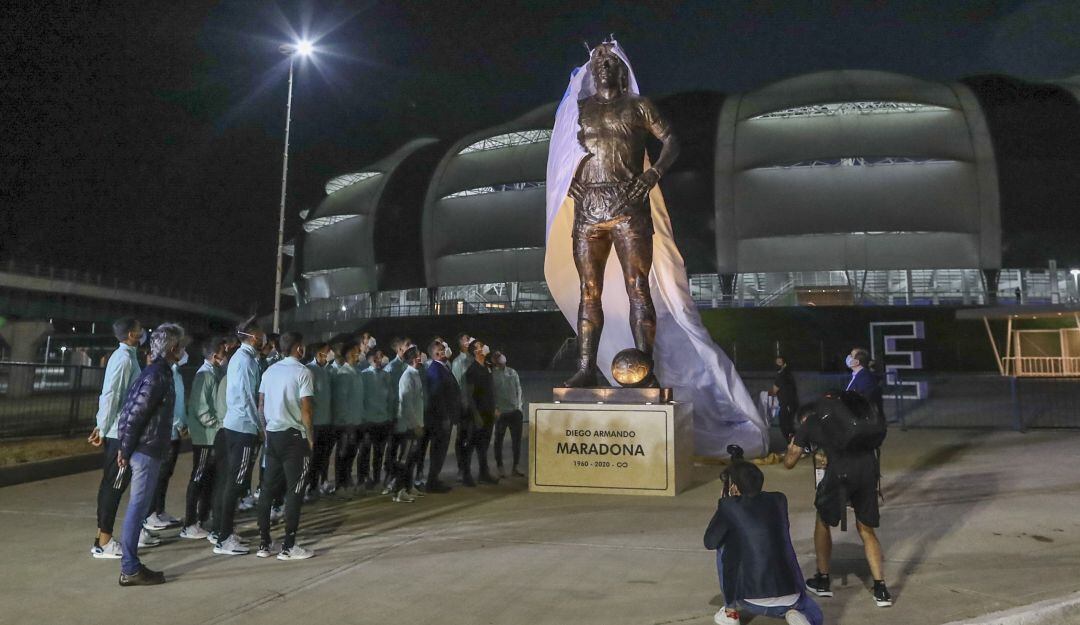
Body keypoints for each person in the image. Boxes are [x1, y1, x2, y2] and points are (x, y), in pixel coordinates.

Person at [784, 395, 893, 608]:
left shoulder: (811, 423)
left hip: (841, 473)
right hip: (868, 471)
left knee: (823, 520)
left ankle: (822, 579)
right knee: (866, 528)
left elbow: (790, 462)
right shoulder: (850, 418)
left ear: (804, 417)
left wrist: (792, 447)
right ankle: (881, 589)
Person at [704, 456, 823, 625]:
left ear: (734, 487)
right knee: (812, 611)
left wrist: (724, 504)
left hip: (751, 601)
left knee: (722, 544)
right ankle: (796, 613)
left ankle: (730, 613)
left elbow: (709, 541)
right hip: (792, 596)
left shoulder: (729, 507)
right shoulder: (779, 500)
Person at [115, 323, 188, 586]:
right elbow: (134, 413)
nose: (183, 350)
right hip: (146, 450)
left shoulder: (159, 372)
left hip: (148, 448)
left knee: (140, 506)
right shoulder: (157, 375)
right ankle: (130, 568)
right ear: (171, 348)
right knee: (138, 507)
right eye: (180, 345)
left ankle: (131, 566)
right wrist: (125, 448)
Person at [89, 317, 156, 559]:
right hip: (119, 433)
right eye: (139, 329)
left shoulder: (127, 357)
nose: (143, 332)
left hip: (119, 430)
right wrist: (101, 426)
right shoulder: (124, 359)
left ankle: (102, 538)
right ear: (130, 334)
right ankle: (104, 542)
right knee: (114, 486)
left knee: (111, 485)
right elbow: (111, 394)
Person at [255, 331, 316, 560]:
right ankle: (289, 546)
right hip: (294, 438)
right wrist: (310, 438)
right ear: (298, 348)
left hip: (273, 435)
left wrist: (265, 431)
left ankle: (264, 543)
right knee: (294, 491)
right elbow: (307, 410)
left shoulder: (270, 371)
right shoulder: (303, 372)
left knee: (267, 490)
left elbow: (261, 405)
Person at [213, 320, 266, 556]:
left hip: (236, 426)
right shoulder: (245, 360)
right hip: (242, 427)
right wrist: (259, 427)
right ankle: (223, 538)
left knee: (232, 482)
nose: (263, 340)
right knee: (235, 483)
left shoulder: (243, 359)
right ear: (252, 337)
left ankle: (224, 532)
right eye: (261, 336)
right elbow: (247, 397)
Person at [179, 336, 226, 539]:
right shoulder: (204, 375)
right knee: (198, 478)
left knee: (208, 479)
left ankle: (200, 518)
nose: (226, 356)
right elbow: (201, 409)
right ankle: (189, 523)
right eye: (224, 352)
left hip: (211, 436)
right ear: (215, 356)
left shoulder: (213, 373)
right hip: (204, 437)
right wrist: (219, 424)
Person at [143, 354, 187, 531]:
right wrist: (178, 423)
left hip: (174, 431)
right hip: (167, 431)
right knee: (158, 475)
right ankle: (150, 514)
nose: (183, 352)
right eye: (179, 349)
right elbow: (169, 402)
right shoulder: (165, 374)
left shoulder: (175, 371)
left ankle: (159, 510)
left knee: (165, 474)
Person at [423, 339, 458, 493]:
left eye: (443, 349)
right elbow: (437, 396)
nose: (443, 352)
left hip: (445, 417)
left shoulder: (443, 367)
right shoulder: (436, 369)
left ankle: (434, 478)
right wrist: (444, 417)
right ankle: (432, 481)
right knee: (439, 449)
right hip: (440, 419)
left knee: (441, 450)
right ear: (434, 354)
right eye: (440, 350)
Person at [391, 346, 425, 503]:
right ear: (413, 358)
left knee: (412, 458)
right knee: (404, 458)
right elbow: (406, 404)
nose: (421, 357)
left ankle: (409, 486)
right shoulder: (406, 377)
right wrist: (415, 424)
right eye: (418, 355)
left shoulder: (415, 374)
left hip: (417, 423)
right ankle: (399, 490)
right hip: (408, 426)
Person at [331, 340, 366, 493]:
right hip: (346, 424)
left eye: (358, 351)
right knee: (343, 453)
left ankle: (347, 480)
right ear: (348, 355)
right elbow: (341, 401)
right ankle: (340, 484)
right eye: (355, 351)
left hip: (357, 420)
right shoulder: (343, 374)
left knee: (351, 453)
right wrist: (346, 423)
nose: (358, 354)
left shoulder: (357, 372)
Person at [463, 339, 498, 485]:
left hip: (489, 413)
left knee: (484, 445)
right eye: (480, 346)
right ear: (475, 352)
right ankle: (466, 475)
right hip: (477, 415)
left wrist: (494, 408)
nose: (484, 348)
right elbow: (469, 396)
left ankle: (484, 473)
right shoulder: (472, 371)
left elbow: (491, 390)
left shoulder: (487, 367)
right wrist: (476, 416)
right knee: (471, 445)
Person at [359, 347, 394, 492]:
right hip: (368, 421)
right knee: (365, 451)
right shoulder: (364, 376)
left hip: (383, 420)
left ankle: (377, 478)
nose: (378, 360)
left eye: (380, 357)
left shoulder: (386, 375)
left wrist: (391, 416)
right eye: (375, 357)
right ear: (369, 360)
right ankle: (363, 479)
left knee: (379, 452)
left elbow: (391, 398)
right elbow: (360, 398)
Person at [305, 342, 335, 498]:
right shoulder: (309, 370)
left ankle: (320, 483)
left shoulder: (327, 371)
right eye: (326, 352)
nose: (330, 354)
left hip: (327, 422)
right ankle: (309, 486)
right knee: (313, 458)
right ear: (318, 354)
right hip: (315, 423)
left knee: (324, 457)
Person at [491, 351, 524, 478]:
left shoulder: (512, 372)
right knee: (498, 441)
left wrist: (520, 407)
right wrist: (495, 409)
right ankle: (500, 467)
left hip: (515, 412)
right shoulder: (493, 375)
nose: (500, 357)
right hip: (501, 414)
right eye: (497, 356)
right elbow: (492, 394)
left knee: (516, 442)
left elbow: (519, 389)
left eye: (501, 355)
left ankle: (515, 467)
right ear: (494, 360)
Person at [450, 332, 474, 481]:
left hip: (475, 406)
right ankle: (461, 468)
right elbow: (457, 386)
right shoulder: (458, 363)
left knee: (472, 438)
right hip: (464, 407)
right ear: (461, 344)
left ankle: (467, 468)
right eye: (466, 339)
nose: (469, 341)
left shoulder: (473, 360)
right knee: (462, 438)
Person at [770, 356, 799, 442]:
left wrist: (762, 394)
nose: (777, 364)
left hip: (787, 405)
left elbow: (774, 391)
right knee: (788, 426)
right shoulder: (787, 375)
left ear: (784, 364)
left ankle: (795, 445)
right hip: (790, 404)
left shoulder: (782, 376)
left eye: (779, 362)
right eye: (776, 362)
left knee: (786, 427)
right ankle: (794, 444)